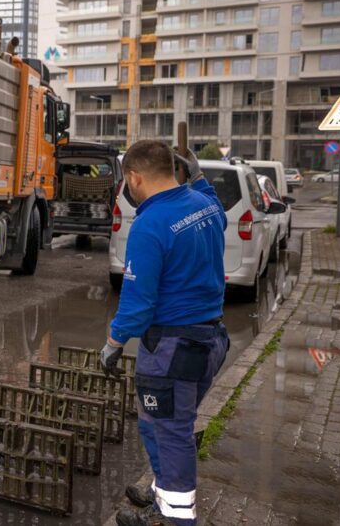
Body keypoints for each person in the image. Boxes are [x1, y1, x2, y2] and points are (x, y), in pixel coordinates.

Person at [100, 141, 230, 526]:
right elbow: (219, 213)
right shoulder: (203, 204)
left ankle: (172, 518)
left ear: (134, 177)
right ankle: (160, 491)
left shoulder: (150, 224)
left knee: (171, 432)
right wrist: (201, 177)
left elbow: (137, 302)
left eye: (127, 180)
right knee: (154, 421)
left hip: (171, 349)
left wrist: (113, 343)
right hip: (211, 342)